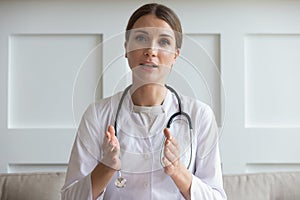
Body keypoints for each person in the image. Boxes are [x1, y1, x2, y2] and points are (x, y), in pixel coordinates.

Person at [61, 3, 227, 200]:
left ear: (176, 55)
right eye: (141, 38)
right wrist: (105, 167)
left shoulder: (200, 116)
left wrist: (178, 171)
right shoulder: (97, 115)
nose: (151, 50)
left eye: (164, 42)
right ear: (126, 48)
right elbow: (70, 197)